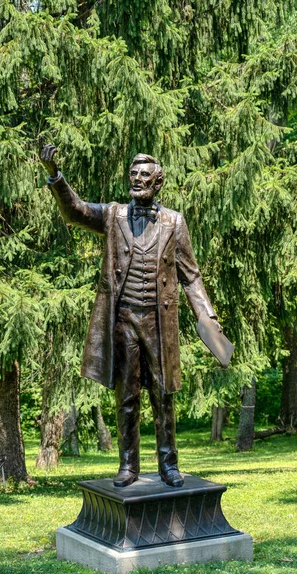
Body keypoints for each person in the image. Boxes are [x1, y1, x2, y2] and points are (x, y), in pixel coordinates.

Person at [40, 144, 221, 488]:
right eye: (133, 174)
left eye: (144, 175)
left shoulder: (174, 221)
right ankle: (128, 465)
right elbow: (75, 211)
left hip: (159, 322)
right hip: (122, 321)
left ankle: (169, 464)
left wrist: (207, 317)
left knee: (163, 395)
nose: (137, 180)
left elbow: (190, 276)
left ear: (158, 183)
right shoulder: (113, 215)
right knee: (127, 396)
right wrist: (55, 176)